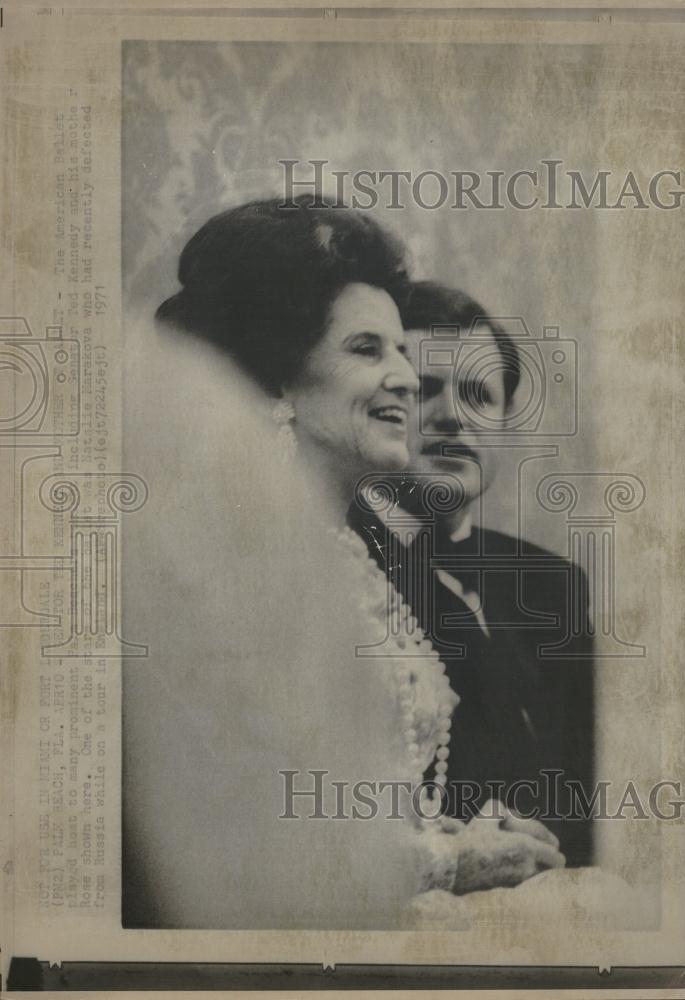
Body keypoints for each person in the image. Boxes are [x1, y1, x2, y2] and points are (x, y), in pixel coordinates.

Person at [122, 198, 565, 930]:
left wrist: (449, 835)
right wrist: (455, 861)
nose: (403, 377)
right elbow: (251, 840)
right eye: (368, 350)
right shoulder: (232, 561)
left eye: (400, 349)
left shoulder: (350, 561)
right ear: (278, 378)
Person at [349, 280, 595, 867]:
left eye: (479, 396)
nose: (453, 417)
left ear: (506, 426)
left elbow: (593, 792)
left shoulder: (552, 583)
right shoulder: (338, 562)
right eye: (425, 390)